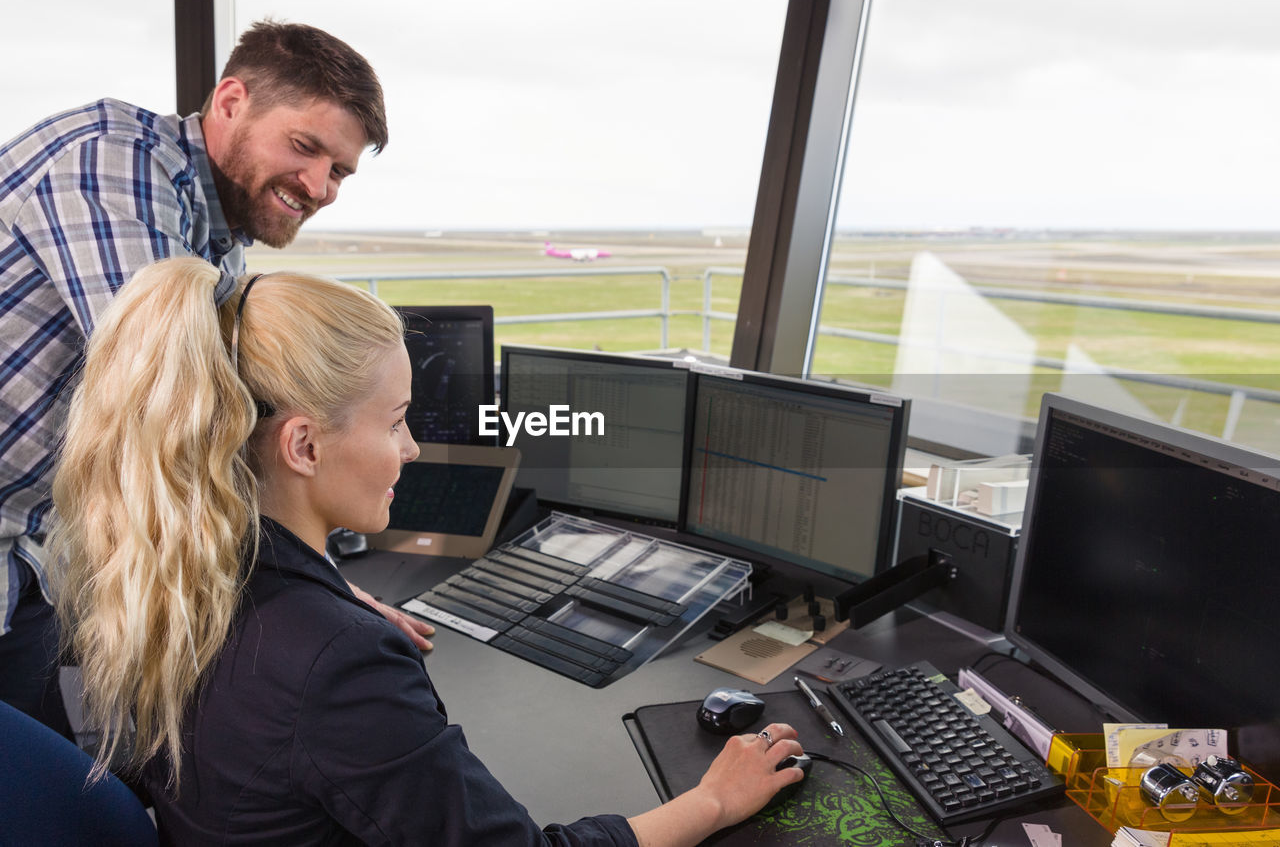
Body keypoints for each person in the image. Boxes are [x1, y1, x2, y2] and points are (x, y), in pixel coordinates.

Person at [49, 257, 807, 845]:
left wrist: (326, 604)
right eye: (397, 421)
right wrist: (711, 800)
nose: (411, 448)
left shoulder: (187, 582)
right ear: (304, 444)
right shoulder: (335, 660)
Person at [0, 20, 431, 736]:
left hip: (26, 546)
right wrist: (317, 587)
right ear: (230, 101)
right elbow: (177, 411)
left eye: (341, 172)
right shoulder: (113, 167)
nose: (320, 187)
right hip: (21, 535)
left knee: (70, 761)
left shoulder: (217, 246)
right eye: (305, 146)